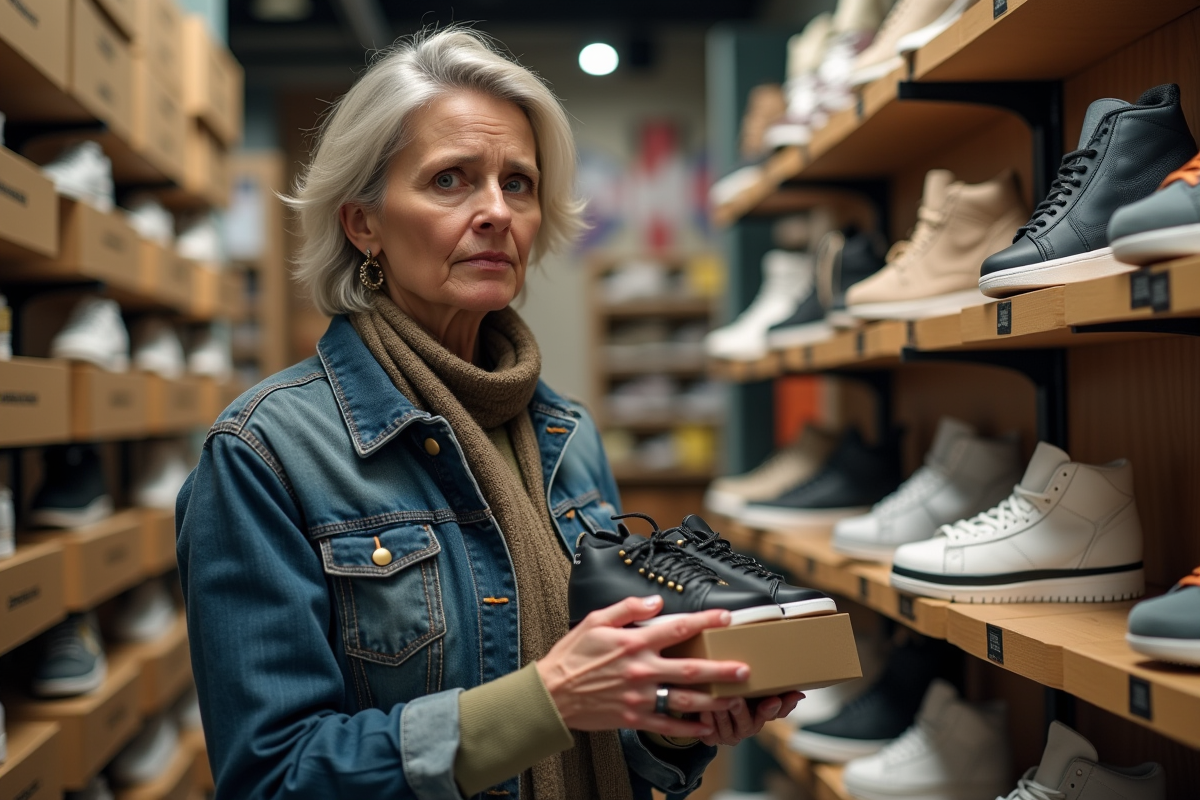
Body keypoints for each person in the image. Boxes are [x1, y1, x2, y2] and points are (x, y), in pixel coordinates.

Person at [176, 27, 801, 800]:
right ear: (361, 221)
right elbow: (271, 775)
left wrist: (674, 725)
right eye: (450, 180)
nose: (496, 211)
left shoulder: (568, 435)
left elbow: (607, 730)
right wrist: (541, 705)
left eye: (520, 183)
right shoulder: (264, 453)